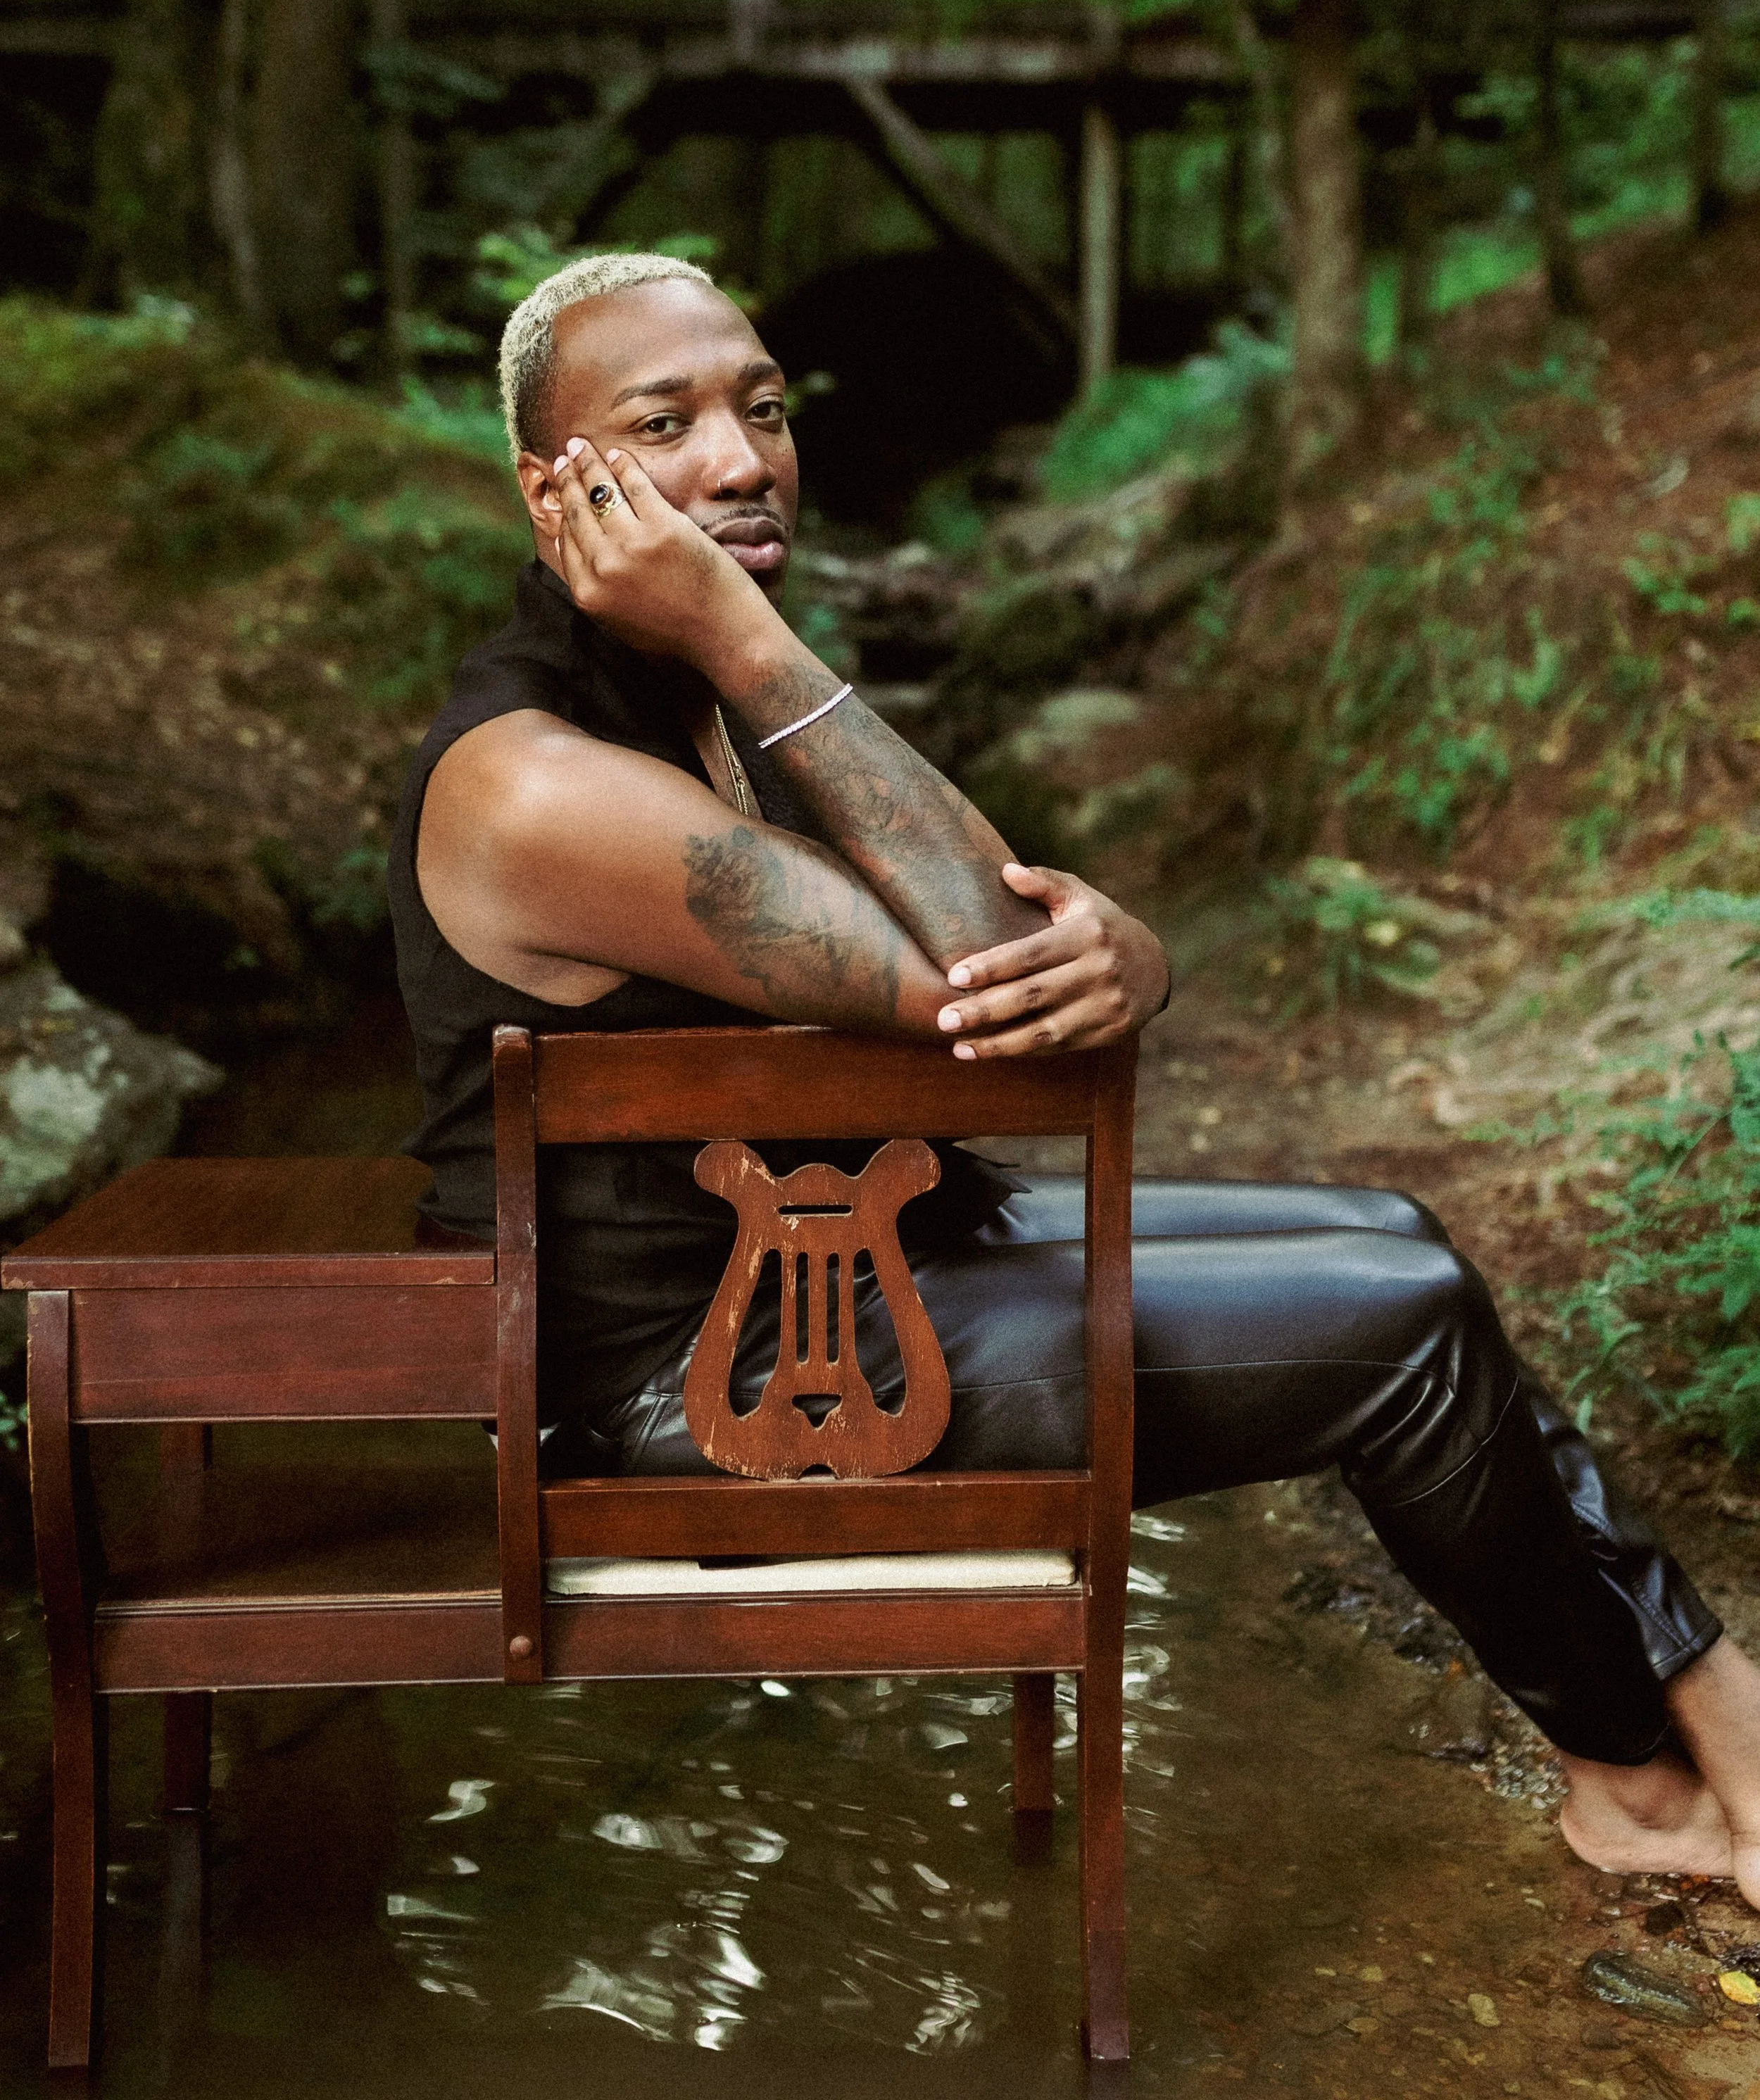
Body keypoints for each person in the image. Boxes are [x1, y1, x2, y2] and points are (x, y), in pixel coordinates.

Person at [390, 250, 1760, 1906]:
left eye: (761, 409)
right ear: (559, 490)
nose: (742, 461)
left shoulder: (694, 700)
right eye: (665, 422)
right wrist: (749, 638)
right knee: (1395, 1335)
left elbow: (1043, 953)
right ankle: (1635, 1779)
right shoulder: (533, 784)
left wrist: (1141, 954)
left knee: (1396, 1232)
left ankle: (1697, 1689)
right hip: (706, 1381)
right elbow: (986, 968)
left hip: (844, 1253)